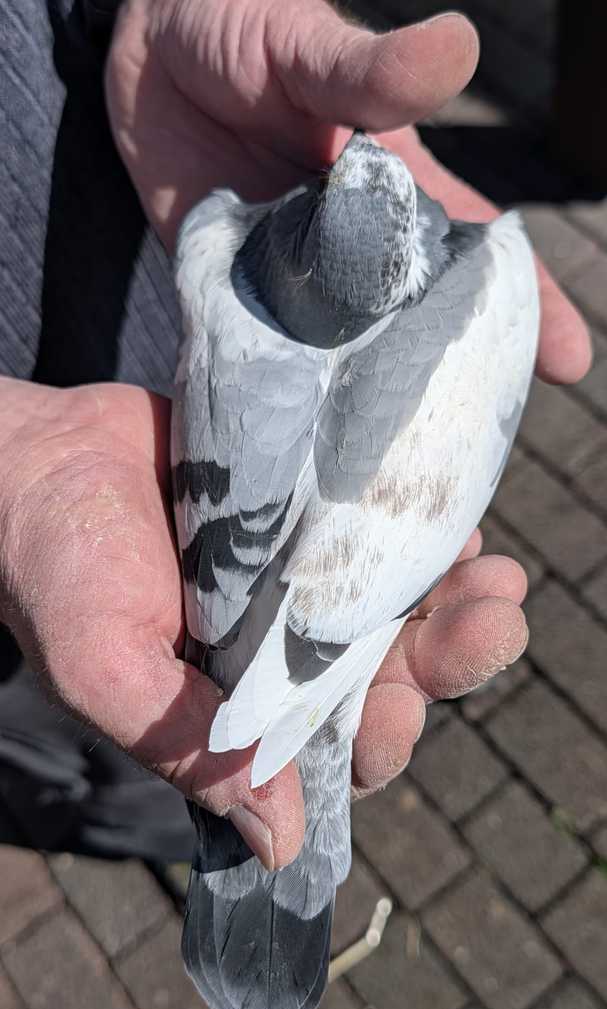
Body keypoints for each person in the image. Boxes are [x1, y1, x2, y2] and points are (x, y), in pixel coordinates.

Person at [0, 0, 591, 867]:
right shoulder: (237, 245)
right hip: (122, 515)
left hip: (170, 489)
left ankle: (173, 815)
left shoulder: (215, 237)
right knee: (137, 746)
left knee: (189, 754)